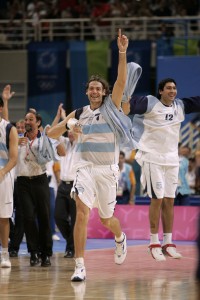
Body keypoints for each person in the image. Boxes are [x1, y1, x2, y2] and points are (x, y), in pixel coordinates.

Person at [47, 29, 129, 281]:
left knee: (107, 219)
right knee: (81, 213)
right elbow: (51, 134)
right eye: (91, 88)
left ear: (104, 93)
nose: (94, 91)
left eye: (98, 88)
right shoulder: (79, 112)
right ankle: (80, 266)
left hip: (107, 170)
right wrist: (69, 125)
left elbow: (121, 82)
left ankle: (120, 238)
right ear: (86, 92)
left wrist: (122, 52)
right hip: (85, 169)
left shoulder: (112, 108)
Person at [122, 77, 200, 261]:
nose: (172, 91)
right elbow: (126, 105)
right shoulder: (149, 103)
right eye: (168, 88)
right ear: (160, 91)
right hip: (152, 159)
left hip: (171, 161)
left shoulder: (179, 106)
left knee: (169, 201)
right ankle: (153, 242)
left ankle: (168, 242)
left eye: (174, 88)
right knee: (156, 200)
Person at [16, 109, 66, 267]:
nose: (27, 122)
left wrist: (56, 138)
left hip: (40, 180)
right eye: (25, 119)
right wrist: (15, 143)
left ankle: (46, 254)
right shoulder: (17, 139)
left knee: (44, 217)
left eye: (30, 119)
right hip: (23, 182)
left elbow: (62, 152)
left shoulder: (45, 139)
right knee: (28, 218)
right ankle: (33, 252)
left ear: (37, 123)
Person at [0, 96, 18, 268]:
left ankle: (4, 254)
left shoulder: (8, 129)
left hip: (3, 177)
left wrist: (3, 172)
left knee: (3, 217)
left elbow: (14, 158)